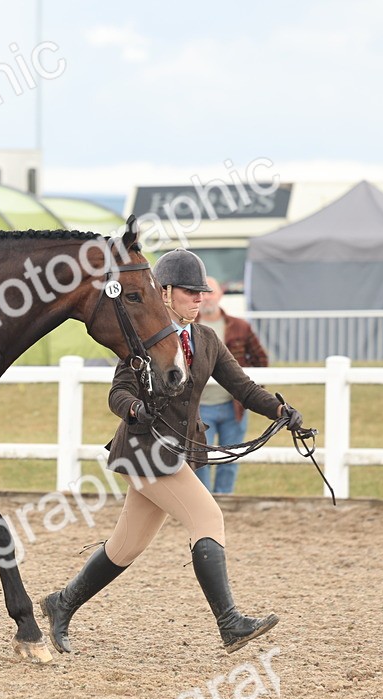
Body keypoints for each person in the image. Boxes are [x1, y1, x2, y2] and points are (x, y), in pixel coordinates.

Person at [39, 250, 304, 655]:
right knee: (207, 516)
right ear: (164, 292)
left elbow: (244, 388)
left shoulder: (206, 339)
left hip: (178, 451)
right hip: (145, 451)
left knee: (126, 546)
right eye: (189, 292)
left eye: (201, 292)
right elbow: (118, 393)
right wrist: (135, 408)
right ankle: (230, 623)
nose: (199, 298)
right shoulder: (144, 338)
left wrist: (281, 411)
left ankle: (61, 603)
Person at [193, 277, 270, 494]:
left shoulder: (240, 327)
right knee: (200, 459)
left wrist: (250, 393)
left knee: (230, 458)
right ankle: (204, 504)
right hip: (199, 407)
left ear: (220, 294)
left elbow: (261, 358)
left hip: (233, 407)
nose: (206, 297)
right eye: (202, 293)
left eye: (211, 292)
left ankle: (224, 501)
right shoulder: (188, 327)